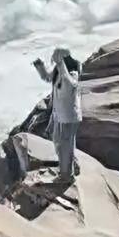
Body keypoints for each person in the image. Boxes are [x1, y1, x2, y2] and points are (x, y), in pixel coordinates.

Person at [33, 47, 82, 180]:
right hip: (59, 115)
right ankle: (73, 165)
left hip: (68, 117)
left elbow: (71, 84)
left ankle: (67, 175)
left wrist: (61, 65)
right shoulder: (59, 70)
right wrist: (39, 65)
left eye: (56, 58)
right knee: (59, 141)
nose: (54, 60)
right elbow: (48, 77)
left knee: (64, 146)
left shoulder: (72, 72)